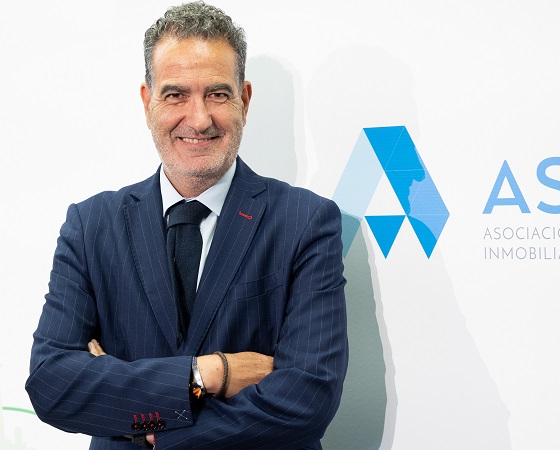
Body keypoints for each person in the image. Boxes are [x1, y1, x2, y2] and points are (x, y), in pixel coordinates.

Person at [24, 2, 348, 449]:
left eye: (217, 94)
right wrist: (208, 373)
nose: (199, 119)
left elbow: (306, 398)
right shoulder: (91, 226)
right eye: (176, 95)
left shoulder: (306, 222)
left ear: (244, 100)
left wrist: (150, 428)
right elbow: (52, 382)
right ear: (148, 102)